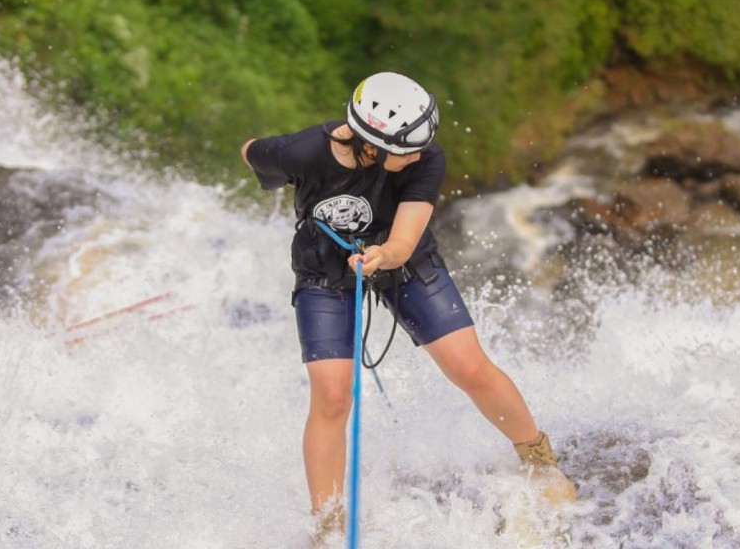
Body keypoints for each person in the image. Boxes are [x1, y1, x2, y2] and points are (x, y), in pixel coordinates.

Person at [240, 72, 575, 537]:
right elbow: (253, 151)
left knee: (469, 367)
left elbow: (402, 240)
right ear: (368, 144)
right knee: (334, 395)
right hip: (322, 273)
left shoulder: (425, 160)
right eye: (406, 149)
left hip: (402, 260)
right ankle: (329, 524)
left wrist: (383, 257)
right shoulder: (303, 152)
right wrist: (275, 170)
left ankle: (541, 463)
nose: (417, 155)